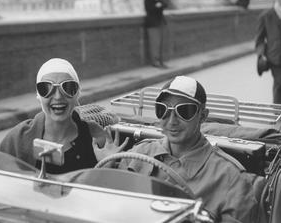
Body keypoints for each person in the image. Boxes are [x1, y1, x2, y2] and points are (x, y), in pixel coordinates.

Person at [93, 76, 258, 223]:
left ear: (202, 116)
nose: (172, 121)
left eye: (184, 111)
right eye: (163, 110)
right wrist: (108, 166)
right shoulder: (138, 155)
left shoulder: (231, 179)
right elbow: (111, 209)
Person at [0, 58, 103, 174]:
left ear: (77, 94)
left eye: (67, 87)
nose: (58, 97)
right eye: (46, 88)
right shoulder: (18, 139)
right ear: (39, 95)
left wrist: (107, 164)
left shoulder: (95, 136)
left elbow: (103, 185)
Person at [144, 0, 168, 68]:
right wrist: (158, 5)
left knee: (161, 43)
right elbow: (150, 9)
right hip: (152, 23)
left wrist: (159, 5)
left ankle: (161, 61)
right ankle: (155, 62)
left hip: (160, 22)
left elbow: (165, 4)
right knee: (155, 43)